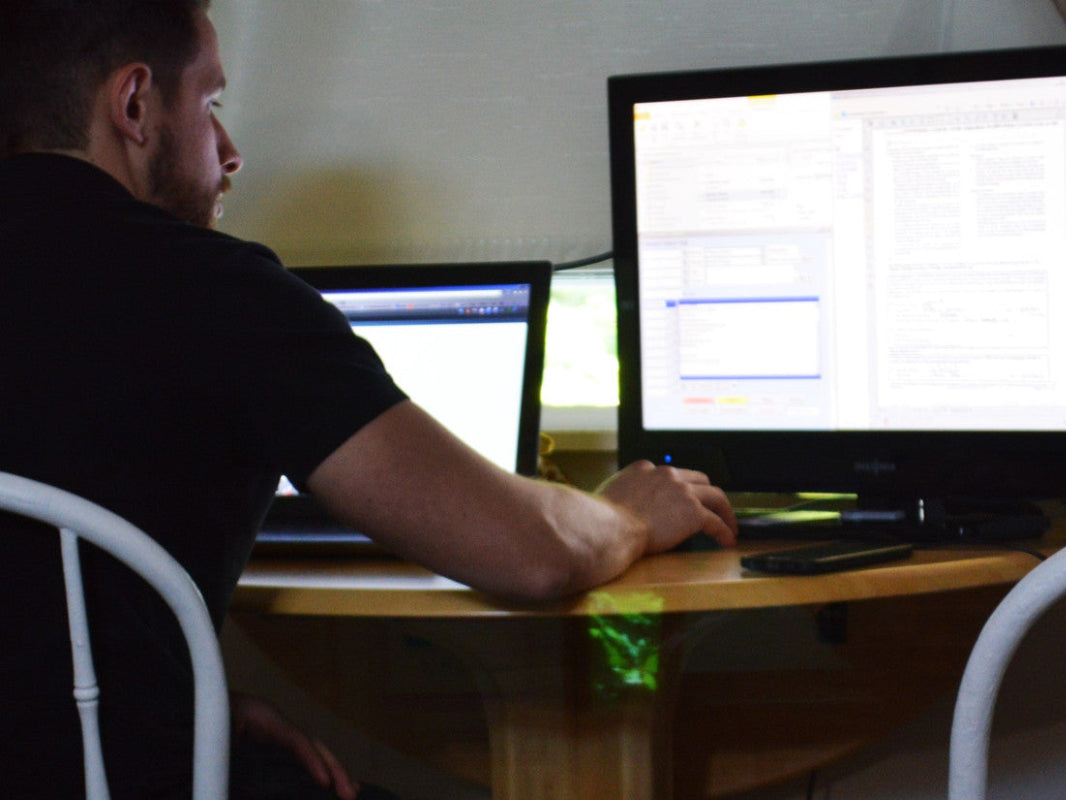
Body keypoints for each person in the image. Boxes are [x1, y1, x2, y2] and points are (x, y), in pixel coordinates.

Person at [0, 1, 737, 798]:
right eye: (210, 105)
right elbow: (528, 553)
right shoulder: (214, 291)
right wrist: (629, 512)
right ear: (136, 104)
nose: (231, 152)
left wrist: (180, 705)